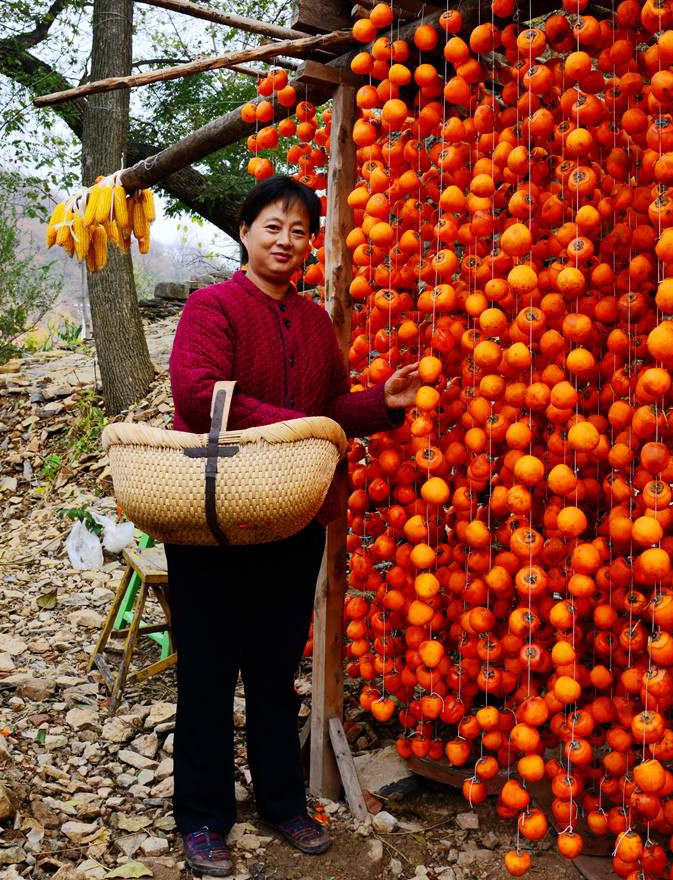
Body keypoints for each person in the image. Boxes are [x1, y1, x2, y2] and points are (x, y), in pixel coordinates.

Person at [165, 175, 420, 875]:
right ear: (245, 231)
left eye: (300, 230)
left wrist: (381, 404)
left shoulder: (312, 323)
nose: (287, 240)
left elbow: (333, 402)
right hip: (210, 523)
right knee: (210, 677)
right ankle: (204, 818)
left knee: (277, 672)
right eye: (273, 226)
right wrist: (314, 429)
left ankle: (282, 802)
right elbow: (197, 397)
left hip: (290, 521)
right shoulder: (211, 309)